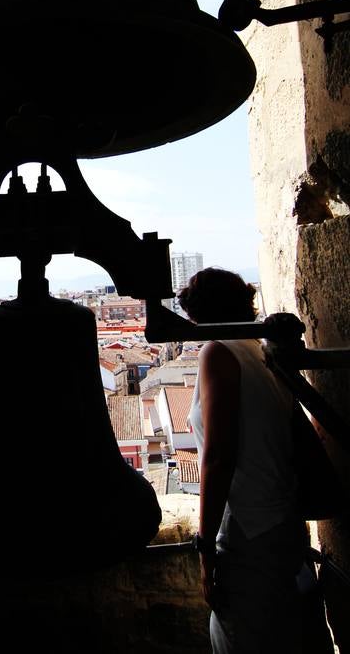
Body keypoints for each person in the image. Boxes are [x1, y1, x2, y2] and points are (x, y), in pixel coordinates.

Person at [179, 268, 306, 654]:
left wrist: (204, 550)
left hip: (247, 530)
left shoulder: (218, 351)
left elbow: (218, 457)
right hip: (282, 522)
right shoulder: (258, 350)